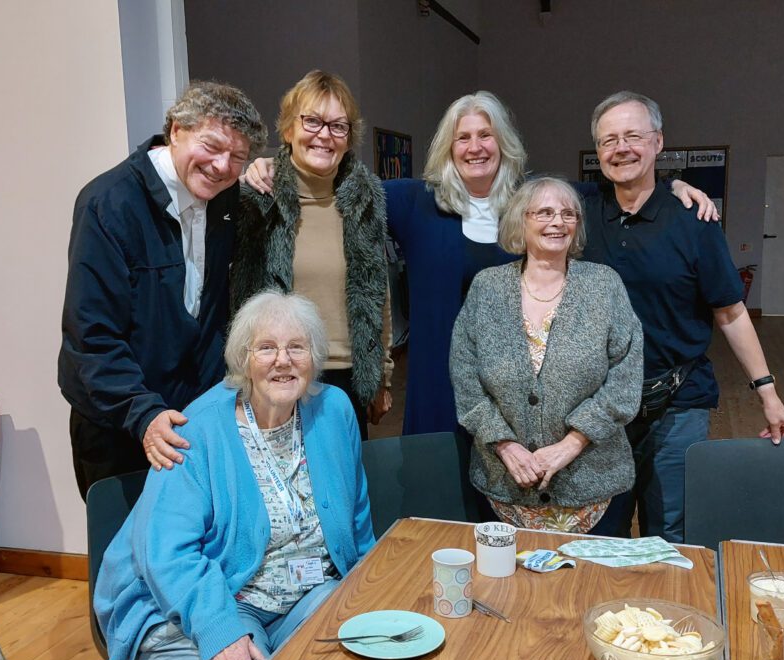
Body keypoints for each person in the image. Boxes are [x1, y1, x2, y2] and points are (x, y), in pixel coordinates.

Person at [244, 91, 714, 436]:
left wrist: (674, 187)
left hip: (519, 386)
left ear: (501, 141)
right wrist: (271, 165)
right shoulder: (414, 202)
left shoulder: (534, 201)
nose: (474, 146)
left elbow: (620, 185)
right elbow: (332, 185)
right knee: (440, 511)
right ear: (448, 147)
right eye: (462, 137)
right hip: (438, 384)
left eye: (484, 135)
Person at [94, 290, 375, 660]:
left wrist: (371, 597)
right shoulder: (198, 428)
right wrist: (218, 629)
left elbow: (356, 519)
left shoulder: (333, 411)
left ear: (315, 356)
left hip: (300, 598)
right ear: (243, 359)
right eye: (266, 348)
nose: (282, 360)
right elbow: (167, 553)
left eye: (296, 347)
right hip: (195, 602)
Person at [582, 91, 784, 542]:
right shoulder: (580, 213)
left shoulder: (693, 219)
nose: (621, 148)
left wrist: (768, 393)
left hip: (677, 403)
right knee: (600, 534)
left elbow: (731, 312)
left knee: (672, 534)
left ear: (658, 142)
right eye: (608, 140)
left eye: (633, 136)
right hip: (599, 409)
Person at [59, 81, 266, 500]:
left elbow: (207, 318)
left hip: (190, 421)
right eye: (211, 145)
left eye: (238, 158)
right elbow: (92, 336)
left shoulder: (225, 201)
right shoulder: (109, 204)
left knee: (190, 550)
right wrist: (144, 414)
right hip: (121, 426)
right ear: (175, 130)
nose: (222, 166)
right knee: (126, 556)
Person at [450, 178, 643, 533]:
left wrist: (571, 444)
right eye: (545, 212)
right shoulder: (487, 288)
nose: (558, 222)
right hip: (504, 488)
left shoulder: (604, 285)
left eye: (568, 214)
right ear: (520, 222)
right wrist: (505, 445)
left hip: (593, 487)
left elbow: (625, 379)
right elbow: (465, 377)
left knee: (593, 589)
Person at [230, 70, 392, 440]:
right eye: (313, 121)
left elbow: (376, 291)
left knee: (341, 491)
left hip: (347, 378)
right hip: (275, 375)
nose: (324, 135)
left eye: (338, 126)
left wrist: (381, 375)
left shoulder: (364, 200)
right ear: (288, 129)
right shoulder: (257, 200)